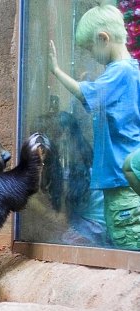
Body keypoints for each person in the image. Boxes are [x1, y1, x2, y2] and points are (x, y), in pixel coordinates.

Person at [49, 4, 140, 250]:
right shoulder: (129, 71)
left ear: (103, 39)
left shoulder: (120, 71)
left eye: (90, 48)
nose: (90, 54)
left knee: (127, 238)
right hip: (122, 176)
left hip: (122, 176)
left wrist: (56, 71)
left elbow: (85, 94)